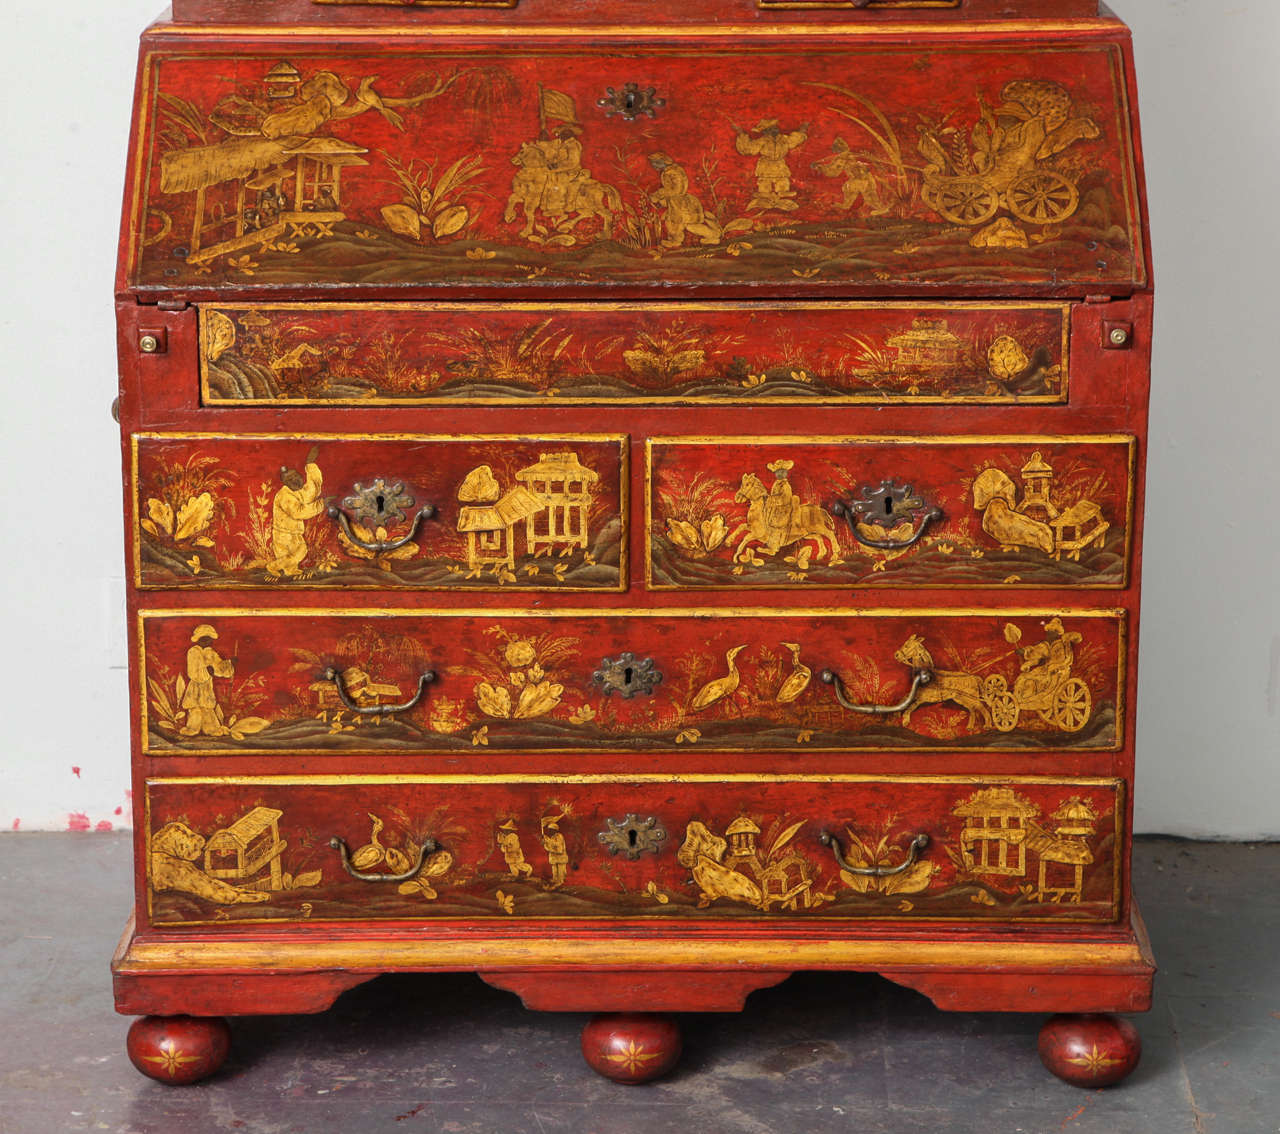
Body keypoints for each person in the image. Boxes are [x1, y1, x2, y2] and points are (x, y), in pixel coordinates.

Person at [267, 446, 323, 577]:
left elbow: (312, 491)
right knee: (295, 553)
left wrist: (310, 464)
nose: (296, 481)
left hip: (294, 533)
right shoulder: (284, 496)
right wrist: (321, 504)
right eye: (290, 480)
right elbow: (299, 512)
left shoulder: (297, 492)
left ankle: (290, 571)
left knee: (298, 553)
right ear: (285, 483)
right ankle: (273, 566)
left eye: (297, 477)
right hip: (283, 534)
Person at [735, 119, 808, 212]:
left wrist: (802, 130)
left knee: (783, 183)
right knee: (764, 185)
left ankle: (783, 202)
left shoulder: (783, 139)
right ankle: (764, 203)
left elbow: (793, 141)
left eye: (775, 128)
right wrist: (741, 134)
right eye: (772, 128)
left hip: (779, 165)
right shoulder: (762, 140)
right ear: (766, 131)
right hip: (766, 165)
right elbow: (749, 149)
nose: (775, 130)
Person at [180, 625, 234, 737]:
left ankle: (211, 729)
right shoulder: (193, 652)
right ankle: (192, 729)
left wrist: (229, 664)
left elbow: (218, 667)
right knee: (195, 708)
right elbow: (193, 672)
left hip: (207, 686)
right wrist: (207, 671)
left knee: (208, 708)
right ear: (199, 639)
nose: (209, 641)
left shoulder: (211, 653)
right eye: (206, 638)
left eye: (210, 639)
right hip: (196, 685)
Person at [541, 814, 569, 890]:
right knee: (554, 871)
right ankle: (555, 881)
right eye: (549, 829)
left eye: (551, 830)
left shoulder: (559, 836)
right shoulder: (551, 837)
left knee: (561, 871)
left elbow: (558, 848)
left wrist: (548, 841)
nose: (549, 831)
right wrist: (545, 843)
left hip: (560, 857)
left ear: (555, 830)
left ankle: (560, 883)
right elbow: (548, 848)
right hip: (554, 858)